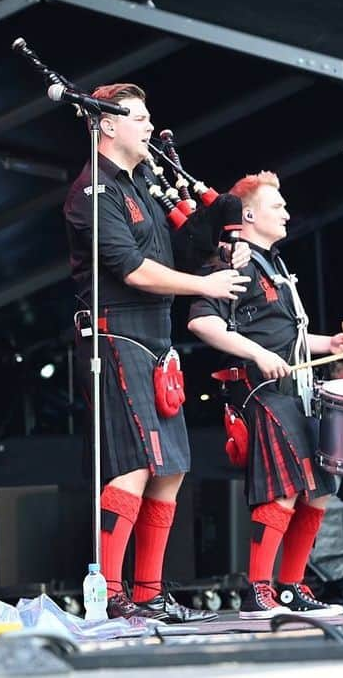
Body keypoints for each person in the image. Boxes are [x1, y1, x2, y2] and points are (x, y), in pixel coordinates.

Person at [63, 83, 248, 623]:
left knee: (169, 468)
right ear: (108, 126)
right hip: (115, 332)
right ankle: (111, 590)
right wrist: (205, 287)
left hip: (157, 337)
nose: (148, 127)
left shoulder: (143, 180)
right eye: (139, 118)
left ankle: (149, 591)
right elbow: (132, 269)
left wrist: (218, 238)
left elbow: (184, 243)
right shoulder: (91, 193)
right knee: (133, 467)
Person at [188, 171, 343, 619]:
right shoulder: (233, 262)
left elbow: (284, 336)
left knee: (318, 491)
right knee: (281, 490)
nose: (285, 211)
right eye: (276, 205)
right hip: (261, 390)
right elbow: (203, 323)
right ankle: (257, 591)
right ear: (248, 215)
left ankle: (290, 586)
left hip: (295, 390)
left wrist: (328, 345)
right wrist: (258, 354)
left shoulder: (274, 263)